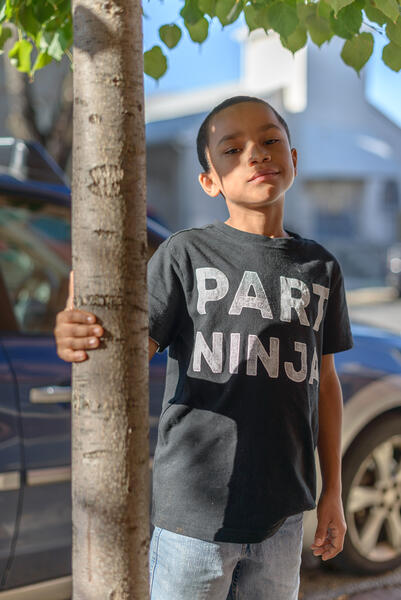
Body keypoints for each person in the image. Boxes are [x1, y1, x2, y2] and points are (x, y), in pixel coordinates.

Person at [55, 96, 353, 600]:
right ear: (210, 181)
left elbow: (323, 381)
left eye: (269, 140)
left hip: (282, 518)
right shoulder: (185, 254)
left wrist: (333, 494)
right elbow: (129, 355)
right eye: (232, 150)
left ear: (294, 159)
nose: (255, 154)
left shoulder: (320, 267)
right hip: (193, 519)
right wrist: (77, 333)